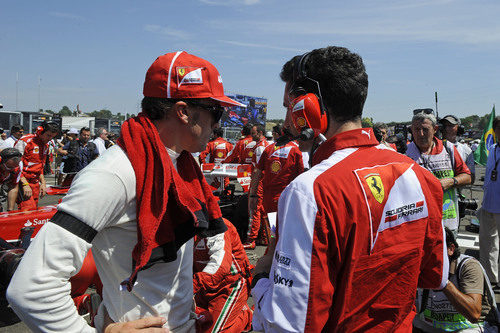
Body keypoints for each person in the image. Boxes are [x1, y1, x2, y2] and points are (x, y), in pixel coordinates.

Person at [7, 51, 244, 332]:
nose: (219, 124)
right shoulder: (114, 174)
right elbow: (31, 288)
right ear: (182, 112)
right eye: (216, 112)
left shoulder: (182, 163)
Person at [251, 46, 448, 332]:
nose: (286, 122)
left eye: (288, 107)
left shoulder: (309, 192)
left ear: (308, 106)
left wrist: (260, 278)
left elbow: (288, 324)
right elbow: (435, 276)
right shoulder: (420, 176)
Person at [414, 227, 497, 332]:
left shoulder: (468, 266)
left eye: (433, 249)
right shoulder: (419, 265)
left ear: (451, 249)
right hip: (434, 324)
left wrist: (444, 283)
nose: (427, 255)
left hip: (471, 327)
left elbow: (474, 314)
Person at [406, 112, 471, 236]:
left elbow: (468, 177)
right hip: (418, 222)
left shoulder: (449, 149)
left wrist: (451, 181)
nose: (420, 134)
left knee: (449, 254)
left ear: (435, 129)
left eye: (425, 129)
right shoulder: (404, 152)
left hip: (447, 221)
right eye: (416, 129)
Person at [193, 218, 252, 333]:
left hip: (230, 284)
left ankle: (246, 314)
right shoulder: (182, 226)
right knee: (193, 325)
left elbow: (220, 268)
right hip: (204, 286)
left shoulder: (218, 225)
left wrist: (191, 286)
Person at [246, 139, 304, 248]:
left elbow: (256, 172)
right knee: (287, 228)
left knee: (274, 228)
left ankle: (274, 249)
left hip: (270, 198)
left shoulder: (269, 148)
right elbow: (301, 174)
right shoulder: (296, 149)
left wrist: (253, 194)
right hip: (288, 196)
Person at [14, 121, 59, 211]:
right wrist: (25, 184)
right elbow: (15, 166)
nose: (50, 139)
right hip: (23, 182)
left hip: (35, 184)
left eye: (52, 137)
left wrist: (43, 183)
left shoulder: (45, 146)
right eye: (48, 135)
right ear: (40, 131)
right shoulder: (25, 141)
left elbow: (40, 167)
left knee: (34, 210)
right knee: (27, 211)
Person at [479, 116, 500, 291]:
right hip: (488, 205)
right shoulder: (492, 148)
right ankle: (490, 278)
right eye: (498, 128)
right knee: (487, 244)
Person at [440, 115, 476, 183]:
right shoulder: (432, 147)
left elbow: (471, 177)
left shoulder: (466, 150)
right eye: (444, 126)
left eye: (451, 126)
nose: (447, 129)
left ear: (459, 129)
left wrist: (451, 182)